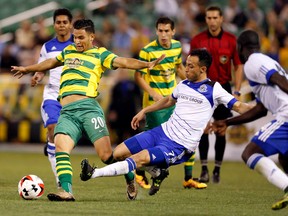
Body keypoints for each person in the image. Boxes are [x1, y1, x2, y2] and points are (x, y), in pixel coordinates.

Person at [12, 19, 165, 202]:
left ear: (92, 37)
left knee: (107, 157)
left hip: (88, 109)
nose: (77, 41)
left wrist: (145, 64)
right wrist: (27, 68)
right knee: (61, 146)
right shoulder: (68, 51)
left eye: (81, 37)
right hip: (67, 111)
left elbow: (123, 61)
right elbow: (50, 63)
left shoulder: (100, 54)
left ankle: (130, 175)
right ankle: (67, 191)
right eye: (75, 37)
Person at [79, 48, 252, 197]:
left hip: (179, 145)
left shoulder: (214, 89)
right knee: (118, 153)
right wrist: (145, 110)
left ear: (203, 69)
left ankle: (93, 173)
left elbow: (239, 107)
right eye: (186, 64)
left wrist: (261, 109)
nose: (186, 69)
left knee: (137, 159)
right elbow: (169, 100)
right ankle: (157, 172)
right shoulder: (183, 84)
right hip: (161, 132)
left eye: (191, 66)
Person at [214, 30, 288, 211]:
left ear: (240, 47)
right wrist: (228, 122)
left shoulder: (253, 62)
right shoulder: (267, 61)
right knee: (284, 157)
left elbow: (278, 79)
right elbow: (261, 109)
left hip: (286, 114)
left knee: (250, 153)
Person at [134, 17, 206, 191]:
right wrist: (152, 92)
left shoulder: (177, 47)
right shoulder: (148, 51)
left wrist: (191, 84)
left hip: (174, 100)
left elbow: (178, 67)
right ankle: (139, 173)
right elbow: (137, 76)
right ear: (156, 31)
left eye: (167, 31)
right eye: (160, 30)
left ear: (173, 31)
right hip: (155, 104)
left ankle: (188, 178)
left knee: (188, 136)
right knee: (153, 140)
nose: (163, 34)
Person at [189, 6, 243, 183]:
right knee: (203, 129)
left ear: (221, 19)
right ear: (206, 20)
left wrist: (237, 90)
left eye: (215, 17)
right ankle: (204, 169)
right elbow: (190, 65)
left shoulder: (231, 40)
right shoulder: (197, 40)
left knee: (221, 129)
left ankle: (217, 171)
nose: (212, 21)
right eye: (209, 18)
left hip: (224, 87)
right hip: (203, 88)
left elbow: (238, 66)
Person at [29, 8, 73, 189]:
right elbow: (42, 67)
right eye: (58, 22)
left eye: (65, 22)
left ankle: (51, 147)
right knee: (53, 128)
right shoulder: (47, 47)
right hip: (52, 94)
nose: (61, 25)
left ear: (70, 24)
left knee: (65, 139)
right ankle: (60, 181)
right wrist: (38, 76)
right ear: (54, 25)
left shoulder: (78, 45)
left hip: (72, 95)